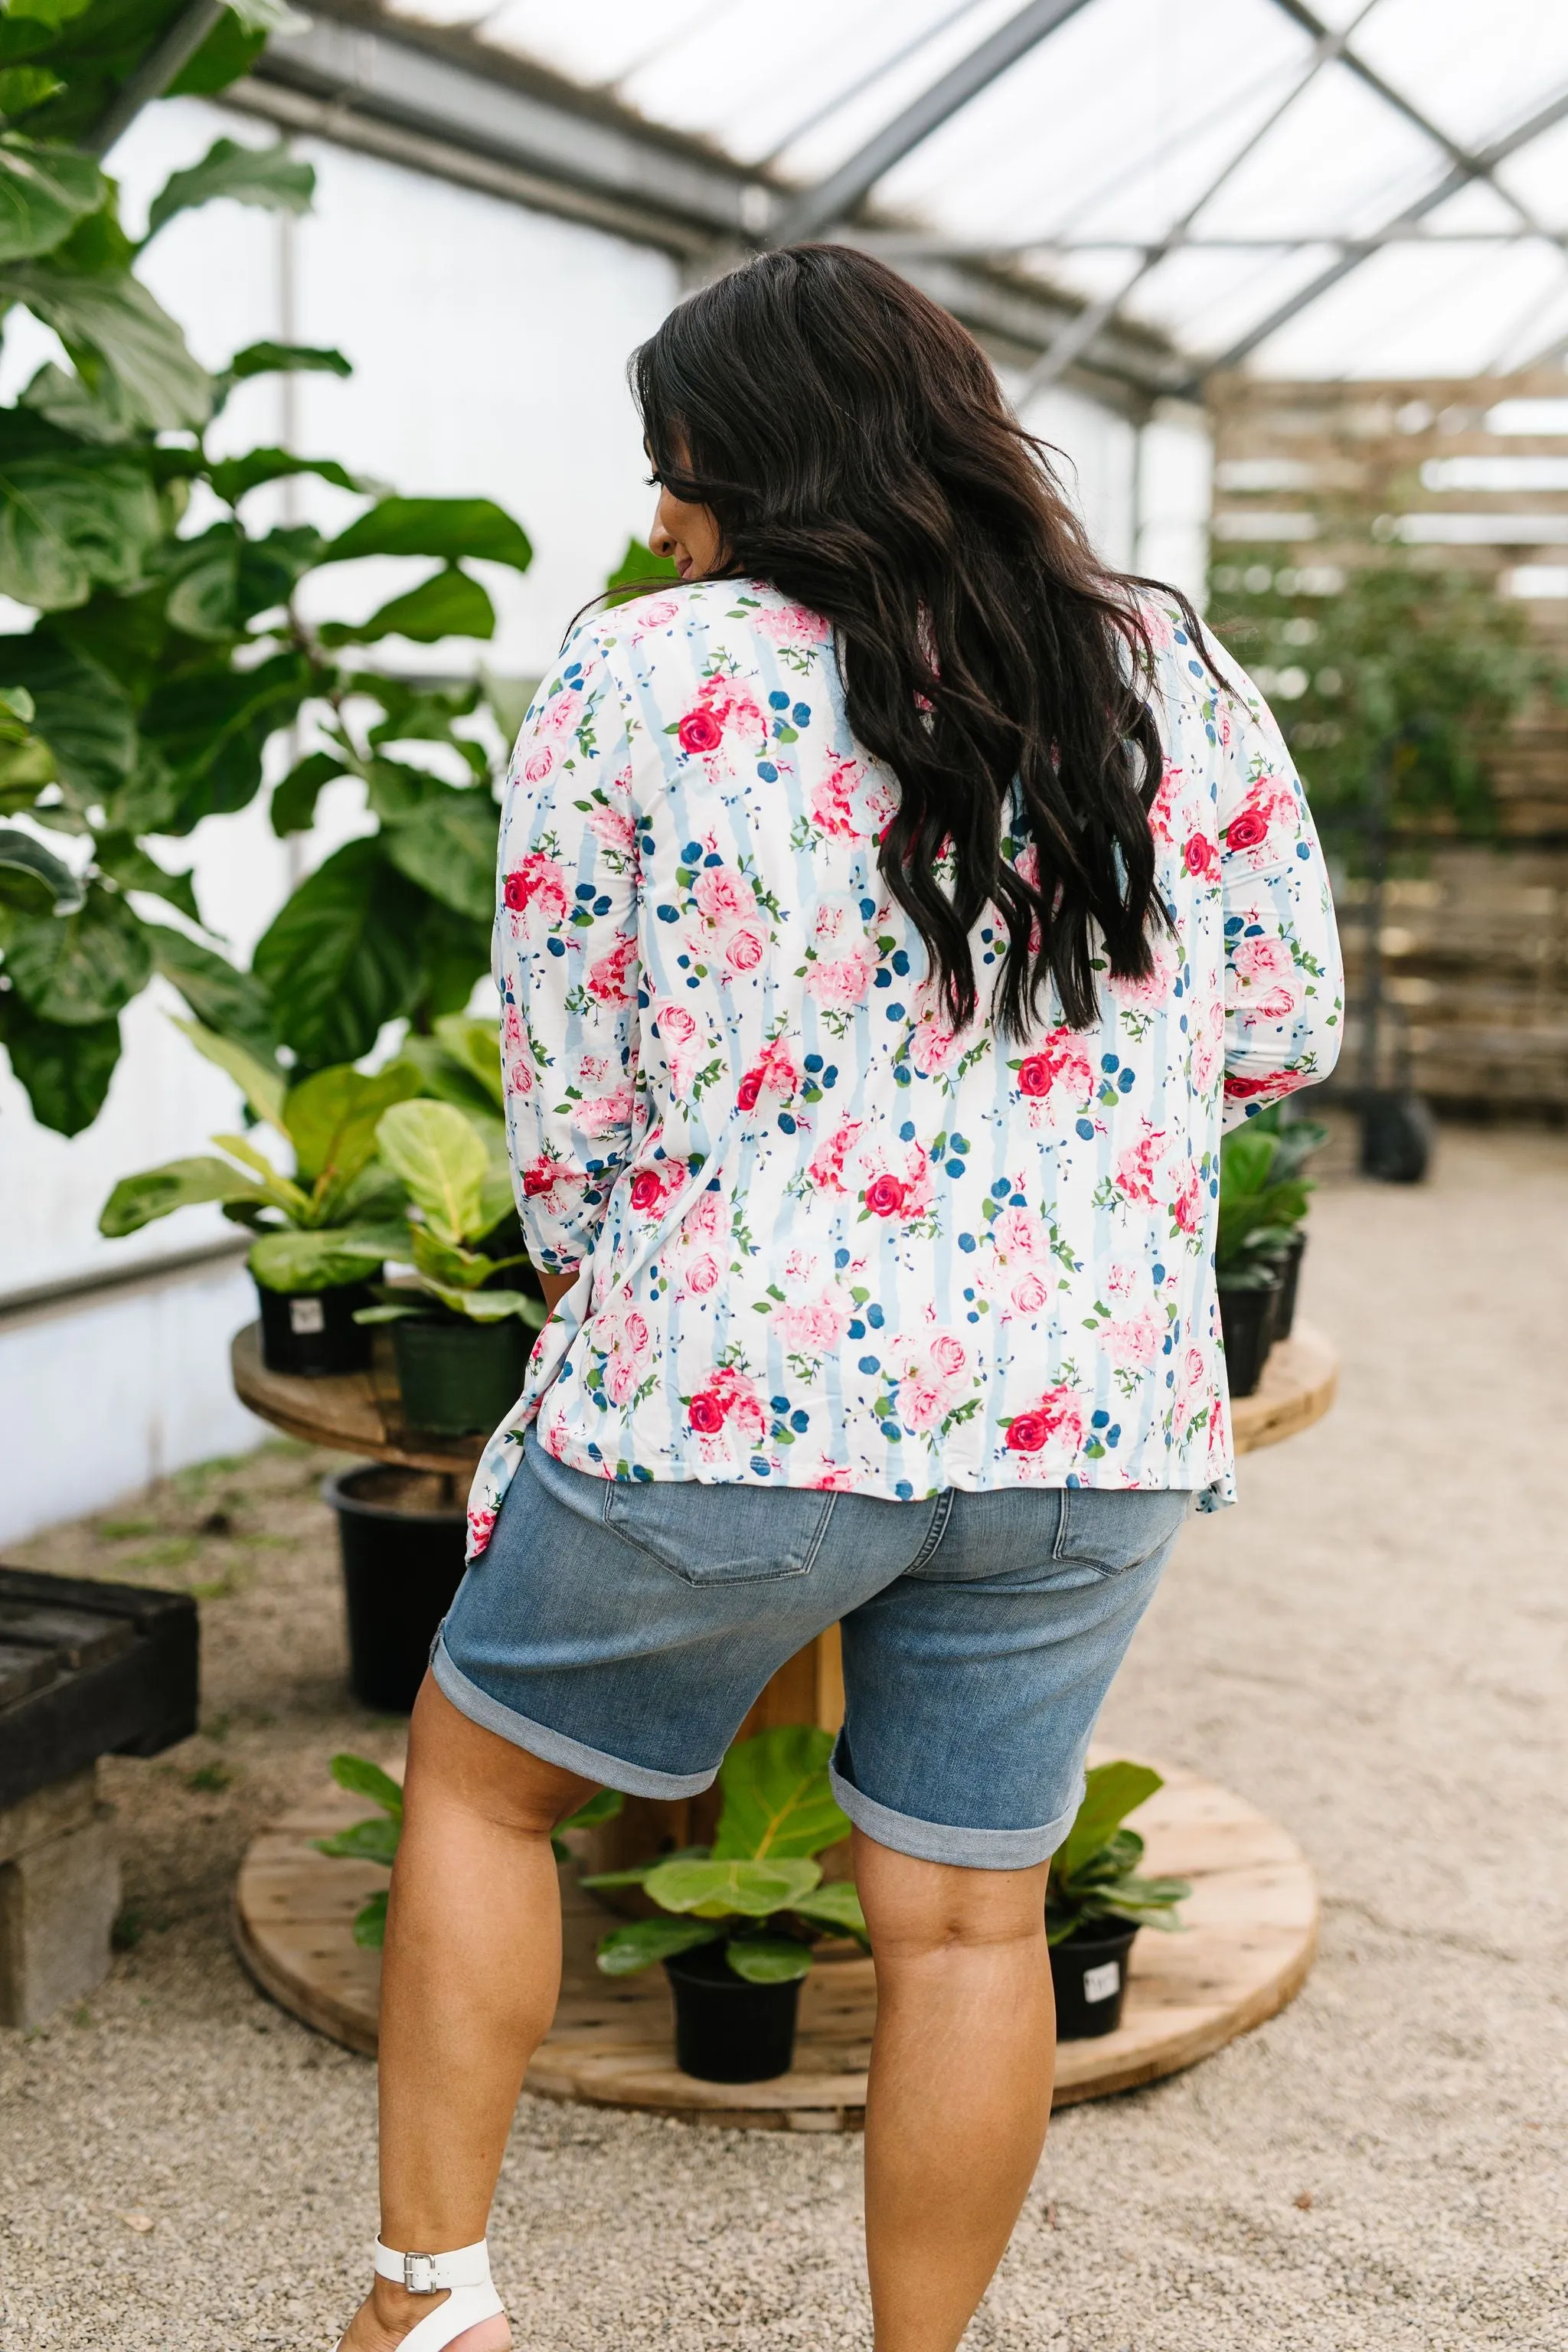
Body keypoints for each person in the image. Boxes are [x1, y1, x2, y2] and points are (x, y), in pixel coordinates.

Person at [335, 245, 1341, 2352]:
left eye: (666, 462)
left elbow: (571, 1081)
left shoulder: (644, 670)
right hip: (1096, 1413)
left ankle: (429, 2311)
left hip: (736, 1387)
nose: (656, 510)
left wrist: (621, 1297)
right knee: (972, 1923)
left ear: (738, 453)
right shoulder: (1163, 660)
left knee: (485, 1778)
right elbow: (1282, 1024)